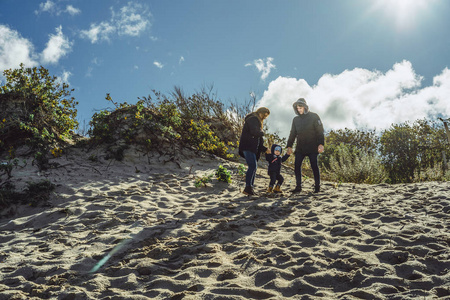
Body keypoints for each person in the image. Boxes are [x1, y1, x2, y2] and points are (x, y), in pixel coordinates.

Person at [287, 98, 324, 193]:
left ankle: (317, 187)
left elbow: (320, 131)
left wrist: (321, 144)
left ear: (305, 107)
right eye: (297, 108)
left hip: (312, 146)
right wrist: (289, 146)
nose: (299, 110)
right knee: (297, 165)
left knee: (314, 165)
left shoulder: (314, 116)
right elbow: (292, 133)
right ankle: (298, 187)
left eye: (300, 107)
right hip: (300, 147)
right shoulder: (295, 120)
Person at [239, 107, 270, 196]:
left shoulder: (257, 122)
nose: (265, 117)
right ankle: (248, 187)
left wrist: (265, 149)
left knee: (254, 167)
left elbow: (259, 141)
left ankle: (249, 188)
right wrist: (262, 133)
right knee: (252, 166)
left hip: (252, 148)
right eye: (265, 115)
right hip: (247, 146)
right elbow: (254, 132)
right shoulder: (253, 119)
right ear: (261, 113)